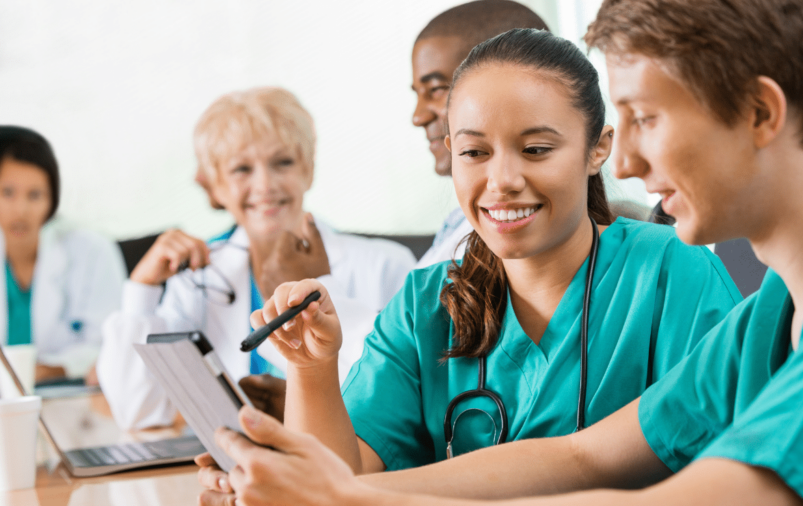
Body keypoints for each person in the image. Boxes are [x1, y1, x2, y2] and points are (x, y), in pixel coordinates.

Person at [200, 1, 803, 504]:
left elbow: (727, 495)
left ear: (761, 113)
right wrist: (336, 490)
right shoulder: (778, 307)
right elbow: (586, 454)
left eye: (646, 119)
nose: (623, 163)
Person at [194, 28, 743, 504]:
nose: (501, 180)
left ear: (597, 149)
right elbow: (338, 480)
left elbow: (727, 469)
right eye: (475, 153)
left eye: (535, 150)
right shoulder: (424, 306)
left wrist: (321, 493)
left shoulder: (675, 275)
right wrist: (312, 369)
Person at [97, 87, 417, 430]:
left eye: (283, 162)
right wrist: (141, 289)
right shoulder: (200, 278)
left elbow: (405, 405)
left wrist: (302, 406)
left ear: (308, 169)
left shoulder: (387, 266)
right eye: (241, 169)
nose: (265, 185)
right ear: (215, 186)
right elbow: (138, 412)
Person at [411, 0, 548, 268]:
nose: (418, 117)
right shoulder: (459, 224)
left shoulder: (514, 232)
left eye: (436, 89)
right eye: (417, 93)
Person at [0, 126, 124, 384]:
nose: (20, 210)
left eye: (35, 195)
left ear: (52, 198)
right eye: (7, 193)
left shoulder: (92, 251)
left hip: (73, 404)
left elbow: (113, 344)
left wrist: (49, 370)